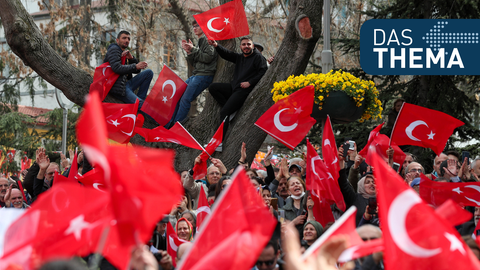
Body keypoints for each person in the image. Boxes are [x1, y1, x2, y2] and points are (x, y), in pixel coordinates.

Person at [207, 36, 268, 147]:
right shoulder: (240, 57)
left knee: (224, 112)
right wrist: (216, 45)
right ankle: (231, 108)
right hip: (233, 87)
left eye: (248, 44)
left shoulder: (258, 58)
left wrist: (249, 82)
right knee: (213, 88)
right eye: (244, 44)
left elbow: (263, 72)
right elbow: (227, 54)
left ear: (252, 46)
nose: (246, 46)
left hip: (243, 91)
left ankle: (219, 142)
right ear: (240, 46)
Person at [167, 20, 217, 127]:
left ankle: (177, 124)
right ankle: (169, 123)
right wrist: (189, 52)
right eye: (193, 26)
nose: (195, 28)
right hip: (196, 75)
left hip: (204, 76)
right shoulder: (199, 41)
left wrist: (193, 49)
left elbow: (208, 57)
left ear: (203, 27)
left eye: (197, 26)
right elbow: (194, 62)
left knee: (185, 99)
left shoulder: (207, 39)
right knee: (177, 95)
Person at [104, 30, 153, 108]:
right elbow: (116, 68)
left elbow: (137, 71)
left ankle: (140, 99)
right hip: (119, 88)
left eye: (128, 39)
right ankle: (140, 105)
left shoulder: (124, 53)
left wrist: (131, 58)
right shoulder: (114, 49)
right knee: (141, 105)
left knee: (149, 73)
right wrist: (135, 66)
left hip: (127, 84)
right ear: (117, 40)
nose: (127, 40)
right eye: (124, 38)